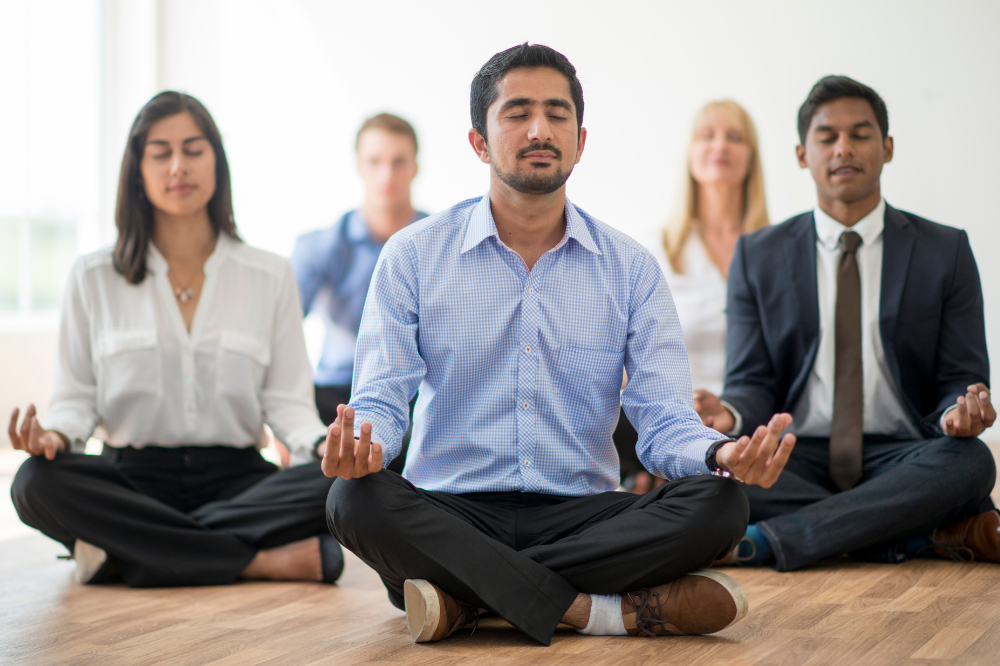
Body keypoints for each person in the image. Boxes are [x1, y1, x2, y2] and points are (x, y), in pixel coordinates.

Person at [317, 43, 796, 647]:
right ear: (479, 142)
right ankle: (593, 612)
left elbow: (665, 419)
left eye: (557, 113)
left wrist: (720, 454)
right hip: (451, 511)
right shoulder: (413, 256)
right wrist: (366, 451)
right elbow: (383, 400)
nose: (540, 129)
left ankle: (468, 599)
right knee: (353, 500)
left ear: (580, 139)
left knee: (721, 505)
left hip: (582, 514)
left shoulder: (630, 268)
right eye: (517, 112)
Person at [9, 91, 343, 588]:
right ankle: (256, 561)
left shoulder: (269, 274)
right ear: (138, 170)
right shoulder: (93, 276)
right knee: (35, 483)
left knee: (345, 484)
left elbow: (287, 402)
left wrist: (323, 444)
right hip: (131, 481)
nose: (178, 166)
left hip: (238, 479)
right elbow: (75, 398)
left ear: (216, 160)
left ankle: (125, 554)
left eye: (193, 149)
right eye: (160, 153)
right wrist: (55, 436)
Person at [696, 76, 997, 571]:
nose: (843, 149)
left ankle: (769, 541)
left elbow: (959, 376)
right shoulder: (759, 255)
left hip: (902, 454)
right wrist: (728, 415)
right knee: (708, 478)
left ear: (888, 147)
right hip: (798, 453)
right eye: (827, 137)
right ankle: (917, 536)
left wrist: (955, 413)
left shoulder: (946, 251)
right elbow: (752, 382)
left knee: (971, 462)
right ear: (801, 154)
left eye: (860, 134)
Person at [618, 101, 770, 493]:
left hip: (750, 417)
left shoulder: (779, 252)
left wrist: (731, 412)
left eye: (735, 137)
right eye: (707, 135)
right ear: (690, 154)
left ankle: (668, 493)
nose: (720, 145)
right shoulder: (653, 251)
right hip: (670, 417)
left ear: (750, 157)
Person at [290, 114, 427, 427]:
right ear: (359, 166)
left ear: (415, 168)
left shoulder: (441, 243)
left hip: (414, 397)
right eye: (375, 160)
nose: (386, 174)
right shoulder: (320, 246)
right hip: (335, 394)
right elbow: (280, 330)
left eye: (398, 162)